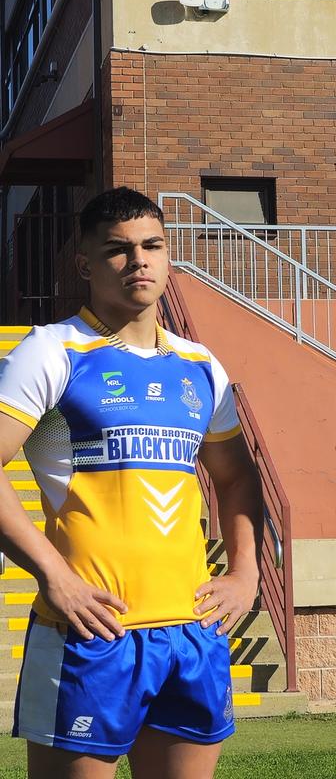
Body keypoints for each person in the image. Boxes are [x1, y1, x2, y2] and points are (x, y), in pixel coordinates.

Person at [0, 187, 263, 779]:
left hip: (190, 634)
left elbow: (238, 477)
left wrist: (245, 572)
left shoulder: (201, 365)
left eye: (152, 246)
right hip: (90, 632)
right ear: (84, 265)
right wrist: (55, 577)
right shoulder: (52, 351)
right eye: (118, 250)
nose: (138, 260)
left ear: (168, 257)